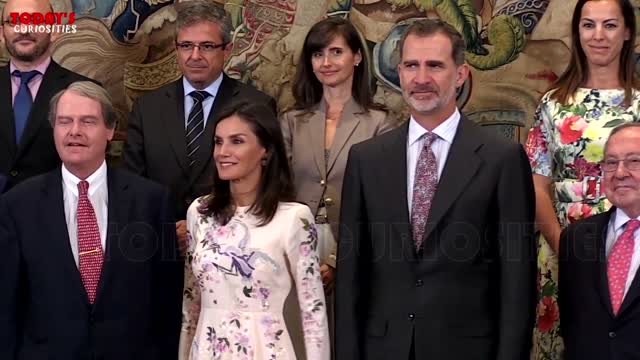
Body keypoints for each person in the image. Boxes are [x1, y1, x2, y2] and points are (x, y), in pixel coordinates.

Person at [335, 19, 536, 360]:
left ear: (460, 74)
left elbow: (517, 280)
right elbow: (352, 275)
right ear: (399, 73)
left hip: (467, 349)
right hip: (384, 348)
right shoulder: (366, 159)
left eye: (435, 66)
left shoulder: (501, 158)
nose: (422, 78)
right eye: (412, 65)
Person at [0, 81, 183, 359]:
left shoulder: (152, 202)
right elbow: (7, 305)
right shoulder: (17, 205)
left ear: (110, 129)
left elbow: (167, 301)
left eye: (88, 121)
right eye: (65, 122)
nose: (75, 131)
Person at [524, 0, 639, 356]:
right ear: (577, 33)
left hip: (632, 247)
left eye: (609, 25)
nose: (599, 35)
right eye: (588, 25)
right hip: (563, 242)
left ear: (628, 32)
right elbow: (536, 184)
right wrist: (565, 246)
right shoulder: (553, 104)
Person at [178, 100, 330, 359]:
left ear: (265, 151)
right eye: (218, 141)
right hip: (206, 349)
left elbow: (313, 311)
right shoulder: (199, 212)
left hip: (268, 350)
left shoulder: (294, 218)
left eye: (237, 141)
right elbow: (191, 301)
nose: (222, 152)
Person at [280, 16, 396, 355]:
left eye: (336, 52)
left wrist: (335, 258)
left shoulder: (381, 123)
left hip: (355, 248)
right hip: (293, 245)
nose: (326, 62)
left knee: (346, 341)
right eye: (318, 54)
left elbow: (380, 202)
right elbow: (279, 190)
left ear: (357, 57)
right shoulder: (291, 120)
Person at [122, 0, 277, 251]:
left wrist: (200, 226)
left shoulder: (257, 105)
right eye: (186, 46)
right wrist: (166, 230)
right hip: (160, 248)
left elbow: (266, 184)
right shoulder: (147, 109)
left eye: (206, 46)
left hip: (232, 249)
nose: (195, 56)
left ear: (227, 49)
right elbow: (132, 187)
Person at [559, 123, 640, 359]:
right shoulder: (576, 238)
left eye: (634, 161)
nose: (620, 172)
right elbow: (572, 329)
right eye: (611, 163)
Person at [0, 0, 97, 193]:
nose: (23, 29)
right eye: (13, 22)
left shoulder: (84, 91)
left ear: (53, 31)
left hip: (54, 215)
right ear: (2, 33)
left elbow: (90, 169)